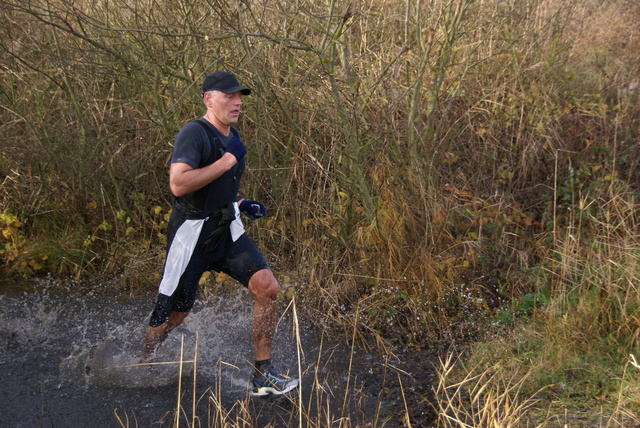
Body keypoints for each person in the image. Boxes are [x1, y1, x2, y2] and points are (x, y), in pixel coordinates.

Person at [141, 71, 298, 397]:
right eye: (229, 96)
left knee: (267, 287)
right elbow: (179, 184)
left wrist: (243, 203)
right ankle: (147, 358)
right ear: (208, 99)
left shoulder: (233, 135)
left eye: (239, 96)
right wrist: (227, 161)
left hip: (226, 229)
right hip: (191, 235)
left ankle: (262, 375)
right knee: (174, 313)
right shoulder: (194, 134)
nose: (237, 101)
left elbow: (222, 188)